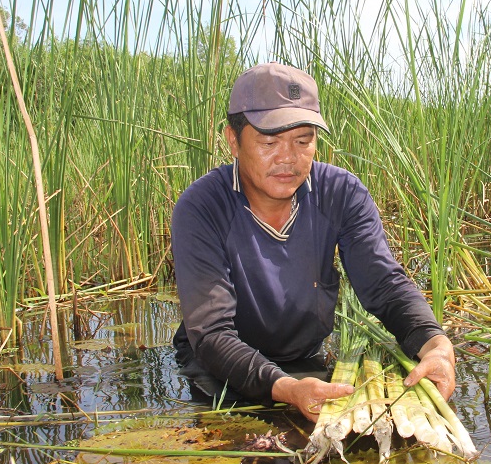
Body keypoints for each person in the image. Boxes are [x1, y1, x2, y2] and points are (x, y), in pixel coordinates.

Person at [171, 62, 455, 421]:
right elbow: (211, 334)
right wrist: (286, 388)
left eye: (303, 141)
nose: (288, 158)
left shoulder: (342, 194)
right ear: (233, 141)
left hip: (301, 357)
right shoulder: (201, 207)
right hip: (218, 365)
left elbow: (384, 284)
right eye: (269, 141)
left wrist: (436, 344)